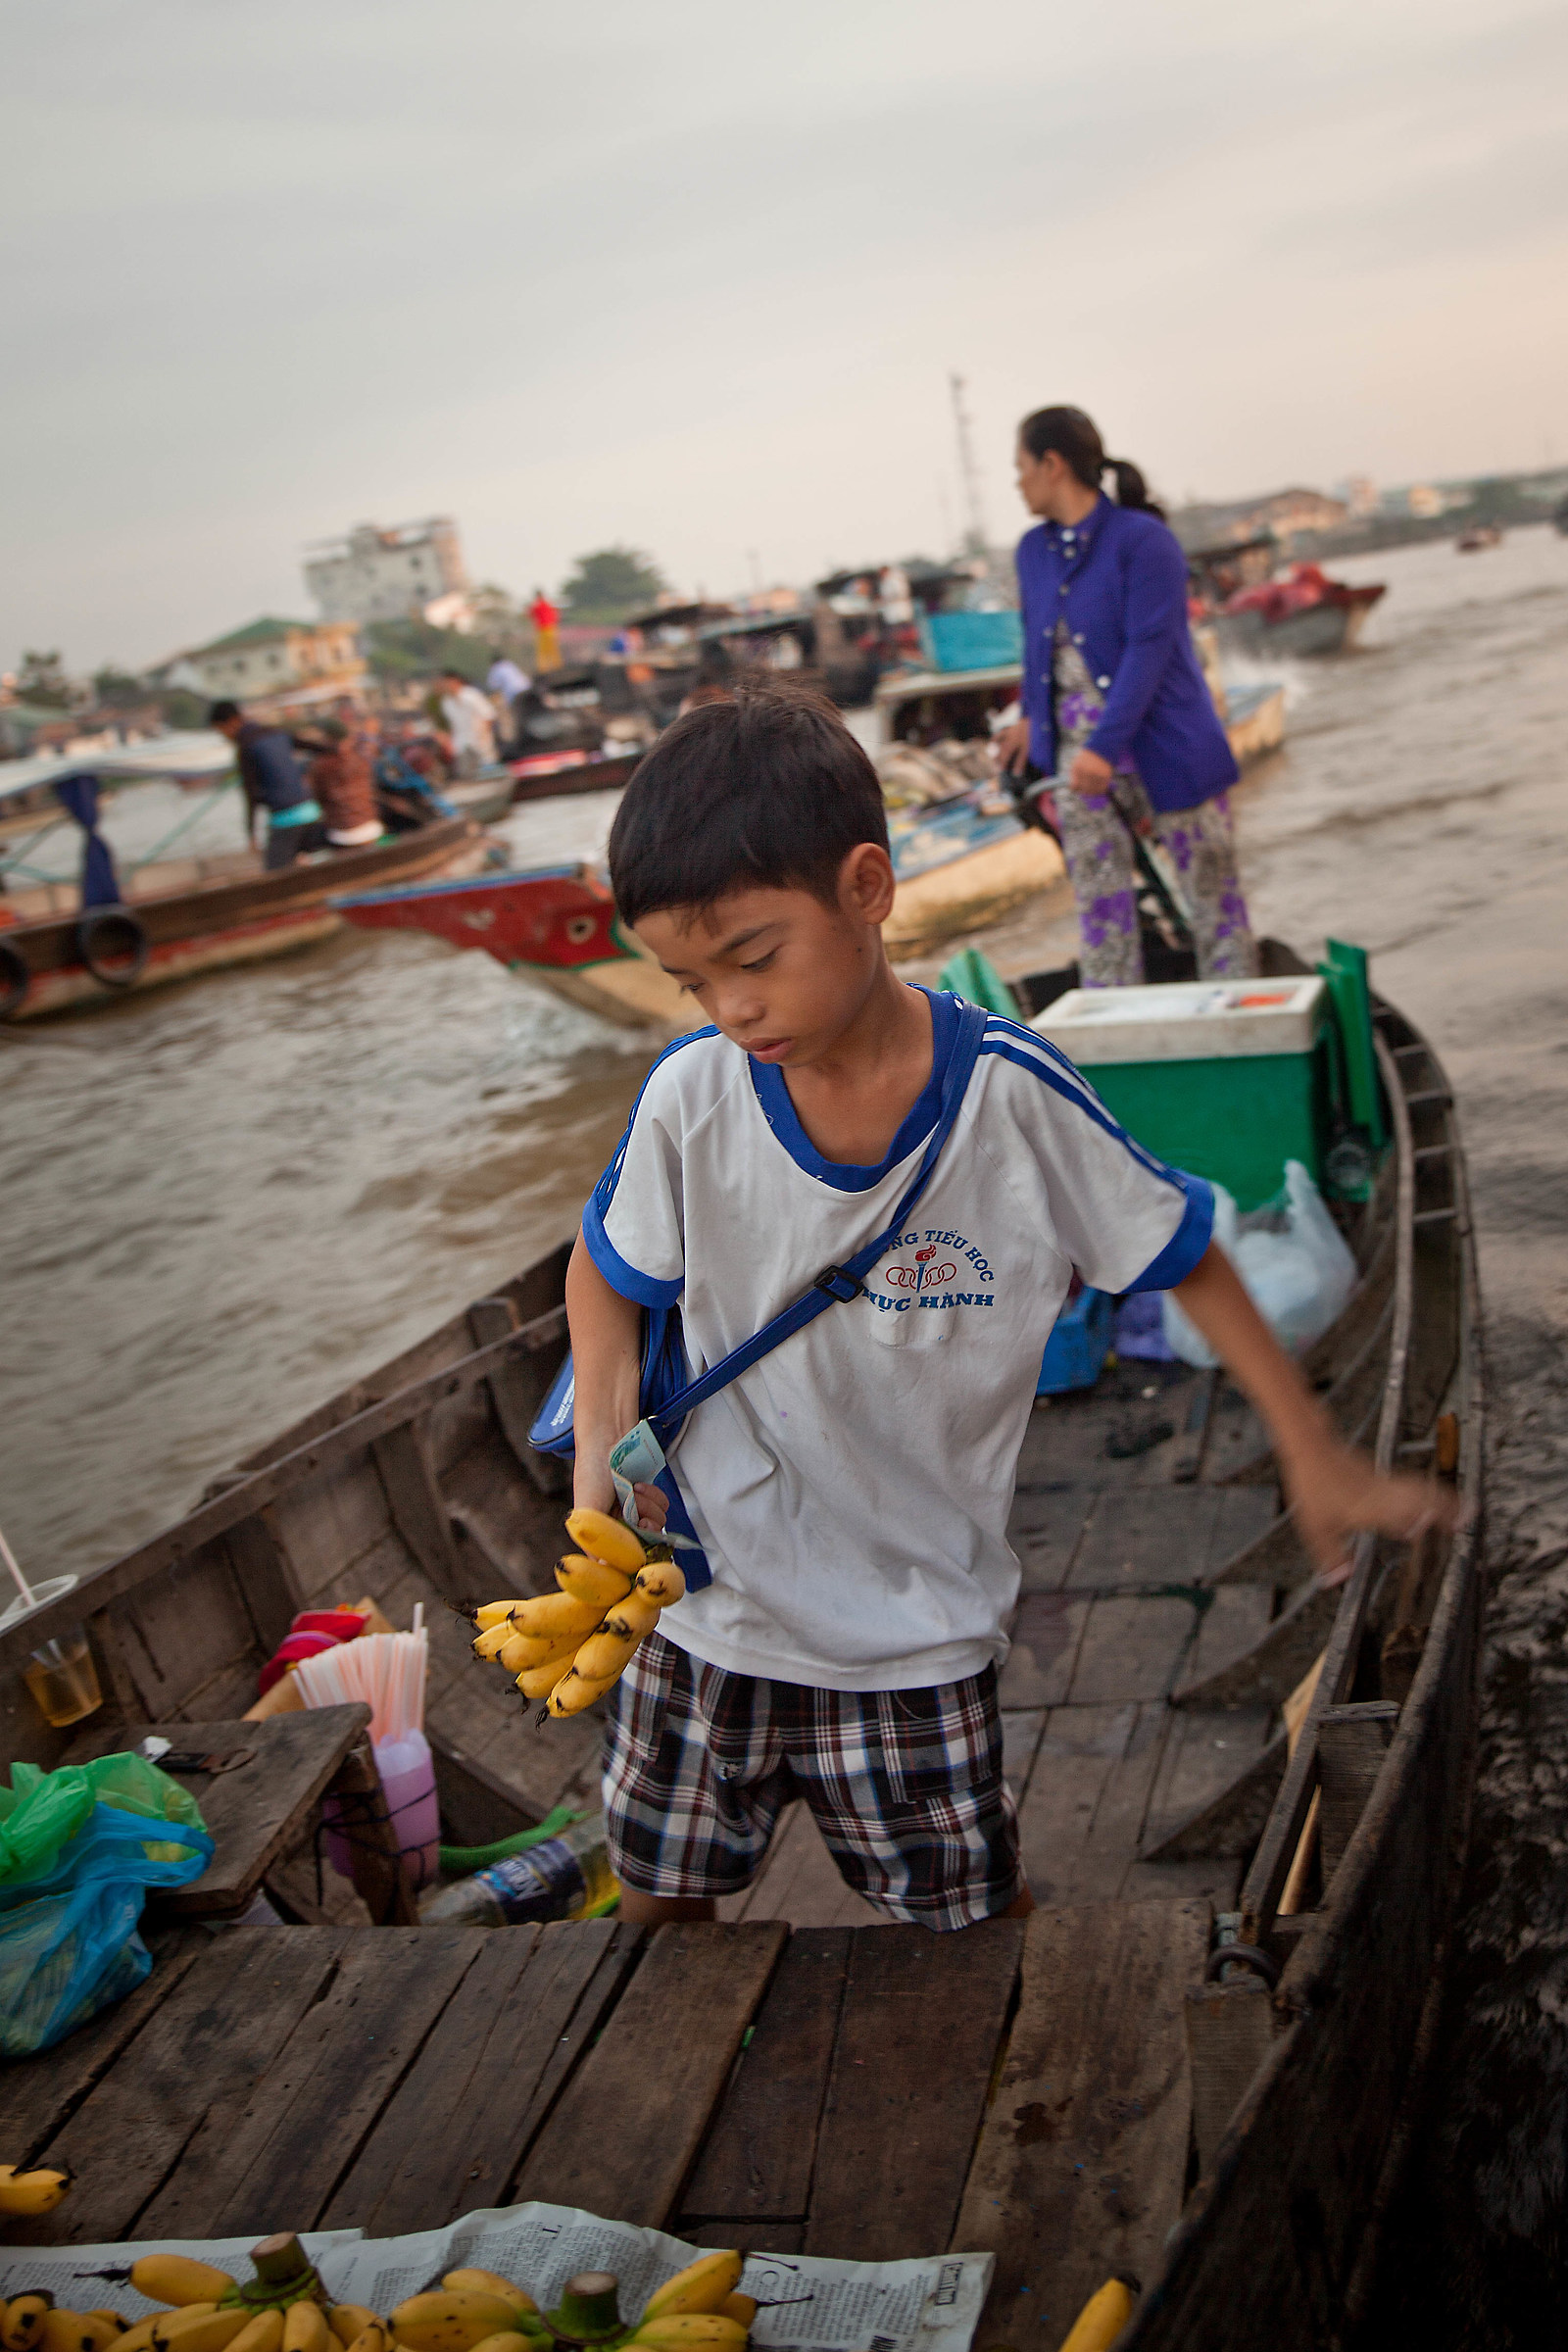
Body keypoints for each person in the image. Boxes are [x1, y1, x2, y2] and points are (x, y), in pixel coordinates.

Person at [563, 677, 1455, 1931]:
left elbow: (1182, 1251)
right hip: (705, 1614)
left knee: (971, 1932)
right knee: (660, 1901)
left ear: (868, 888)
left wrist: (1313, 1454)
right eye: (689, 983)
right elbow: (604, 1273)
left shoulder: (1012, 1100)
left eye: (753, 957)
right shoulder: (690, 1100)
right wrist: (601, 1456)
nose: (732, 1009)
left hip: (915, 1635)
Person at [997, 406, 1258, 988]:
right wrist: (1028, 719)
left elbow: (1150, 651)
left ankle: (1241, 1034)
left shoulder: (1145, 542)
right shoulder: (1032, 552)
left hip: (1166, 748)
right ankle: (1117, 1037)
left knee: (1214, 903)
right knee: (1101, 914)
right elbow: (1041, 651)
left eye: (1021, 467)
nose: (1017, 482)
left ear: (1053, 464)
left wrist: (1104, 749)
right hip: (1077, 765)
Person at [209, 699, 326, 869]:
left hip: (286, 820)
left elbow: (251, 795)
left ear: (232, 722)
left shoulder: (246, 746)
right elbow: (315, 747)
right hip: (312, 811)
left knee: (275, 873)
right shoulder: (275, 732)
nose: (224, 736)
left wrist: (251, 835)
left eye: (221, 730)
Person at [296, 705, 382, 850]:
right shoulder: (361, 758)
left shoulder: (320, 766)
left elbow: (318, 799)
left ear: (327, 738)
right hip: (371, 827)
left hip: (341, 834)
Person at [439, 666, 497, 778]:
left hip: (479, 739)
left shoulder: (471, 695)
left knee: (487, 770)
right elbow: (453, 724)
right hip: (461, 742)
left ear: (454, 681)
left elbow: (488, 716)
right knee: (466, 774)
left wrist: (484, 736)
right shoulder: (446, 703)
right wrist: (449, 741)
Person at [529, 588, 562, 673]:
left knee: (542, 650)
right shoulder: (549, 604)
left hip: (542, 629)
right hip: (551, 628)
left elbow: (531, 615)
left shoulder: (536, 606)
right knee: (553, 648)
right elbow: (556, 615)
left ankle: (543, 669)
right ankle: (556, 666)